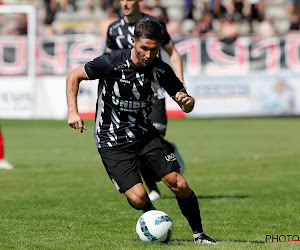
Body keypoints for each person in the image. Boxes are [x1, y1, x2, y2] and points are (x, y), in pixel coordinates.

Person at [66, 19, 219, 244]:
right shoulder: (111, 62)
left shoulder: (161, 69)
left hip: (143, 132)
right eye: (143, 48)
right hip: (111, 138)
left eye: (154, 49)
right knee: (138, 198)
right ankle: (154, 221)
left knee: (179, 183)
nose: (148, 54)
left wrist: (187, 102)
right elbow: (73, 76)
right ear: (133, 42)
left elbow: (183, 99)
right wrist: (73, 111)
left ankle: (199, 235)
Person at [105, 0, 185, 201]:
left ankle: (168, 150)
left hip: (153, 93)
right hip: (126, 96)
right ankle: (153, 189)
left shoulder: (154, 24)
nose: (124, 3)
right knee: (132, 142)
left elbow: (172, 52)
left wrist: (180, 85)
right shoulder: (114, 29)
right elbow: (108, 60)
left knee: (151, 137)